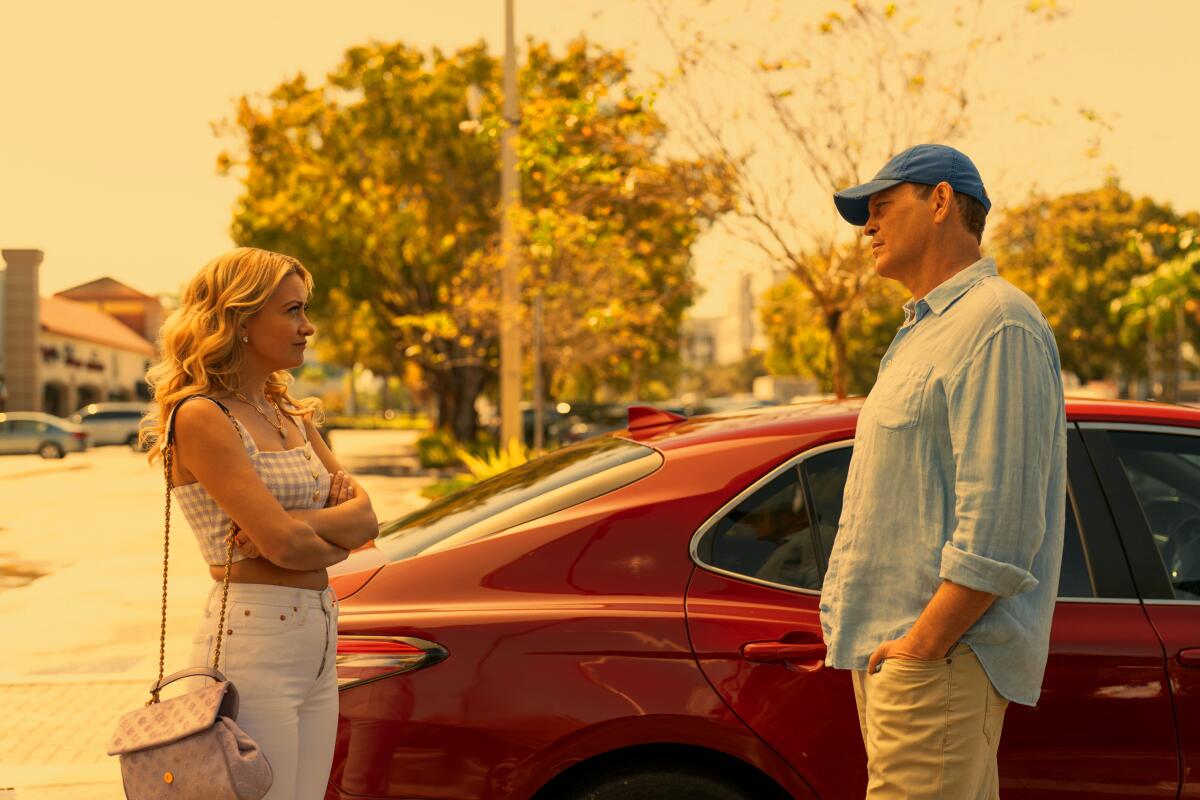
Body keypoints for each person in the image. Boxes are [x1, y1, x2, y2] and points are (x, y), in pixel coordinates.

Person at [819, 145, 1066, 799]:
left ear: (940, 202)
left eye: (881, 207)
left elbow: (1003, 527)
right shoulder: (926, 331)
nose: (866, 228)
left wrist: (922, 648)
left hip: (940, 662)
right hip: (906, 662)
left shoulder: (997, 324)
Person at [141, 247, 380, 799]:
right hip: (254, 640)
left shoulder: (289, 413)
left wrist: (297, 527)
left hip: (319, 633)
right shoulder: (202, 414)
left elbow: (366, 519)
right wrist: (312, 532)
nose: (308, 327)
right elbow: (284, 545)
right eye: (292, 311)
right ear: (241, 320)